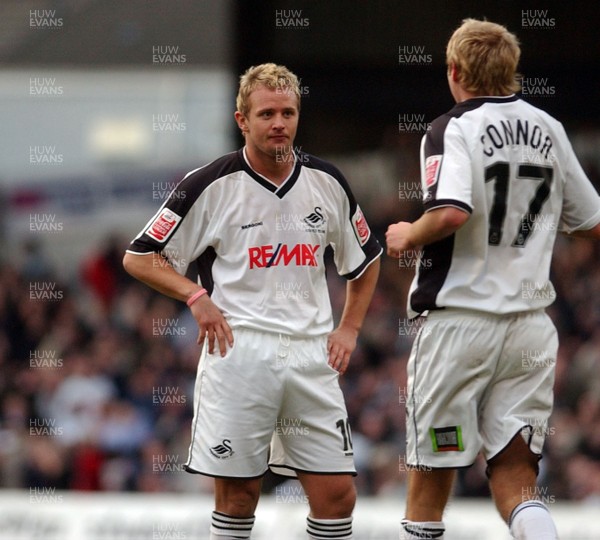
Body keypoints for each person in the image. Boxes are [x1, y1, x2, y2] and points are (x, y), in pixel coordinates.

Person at [123, 63, 381, 540]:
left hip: (311, 353)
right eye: (266, 114)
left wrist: (349, 329)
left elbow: (365, 262)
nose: (279, 123)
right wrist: (195, 295)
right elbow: (140, 257)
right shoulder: (208, 184)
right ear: (242, 120)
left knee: (337, 494)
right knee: (240, 496)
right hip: (240, 352)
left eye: (288, 112)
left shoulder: (327, 181)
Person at [386, 18, 600, 540]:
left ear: (454, 71)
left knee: (431, 479)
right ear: (513, 71)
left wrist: (407, 234)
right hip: (529, 328)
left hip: (460, 324)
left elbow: (451, 212)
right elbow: (591, 222)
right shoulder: (549, 127)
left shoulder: (450, 127)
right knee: (517, 478)